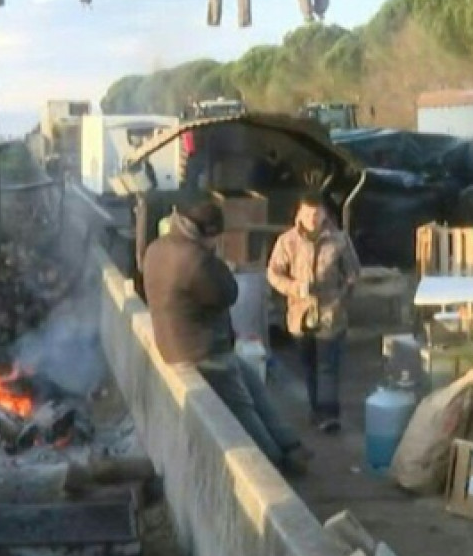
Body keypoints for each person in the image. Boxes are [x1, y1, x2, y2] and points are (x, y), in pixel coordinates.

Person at [142, 198, 312, 475]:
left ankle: (289, 443)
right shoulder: (195, 260)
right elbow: (228, 293)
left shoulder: (157, 248)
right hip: (201, 352)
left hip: (179, 344)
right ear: (207, 233)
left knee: (252, 382)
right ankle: (275, 462)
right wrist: (216, 260)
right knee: (242, 405)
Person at [266, 192, 361, 433]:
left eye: (317, 213)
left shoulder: (339, 240)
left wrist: (342, 299)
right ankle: (315, 409)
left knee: (327, 365)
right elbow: (274, 273)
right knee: (308, 364)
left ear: (325, 214)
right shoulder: (287, 241)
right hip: (300, 314)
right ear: (299, 213)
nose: (312, 218)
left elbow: (353, 273)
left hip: (331, 313)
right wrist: (295, 288)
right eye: (308, 213)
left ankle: (329, 415)